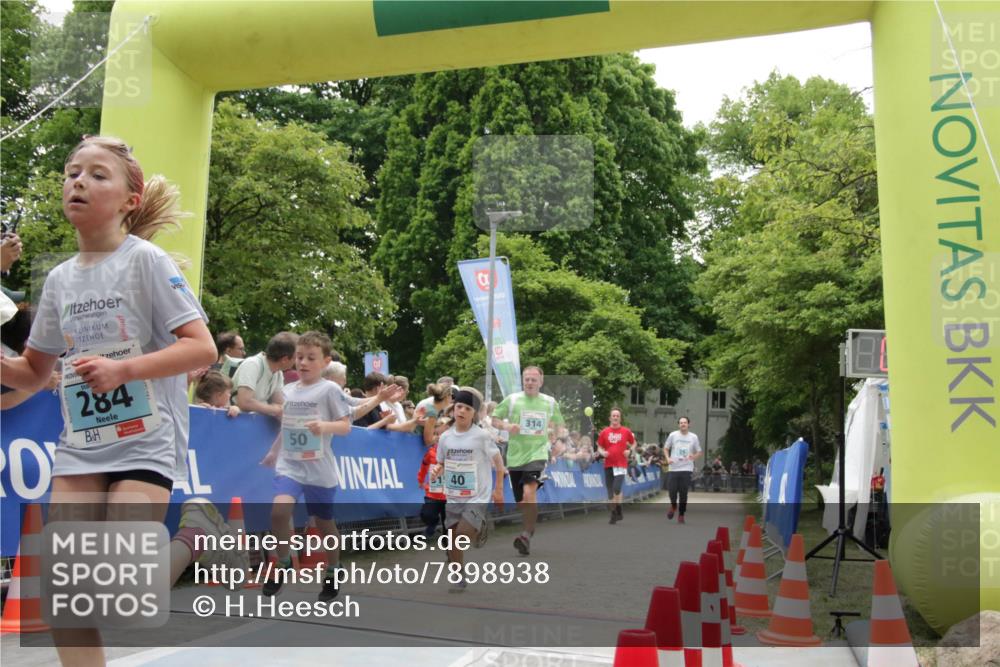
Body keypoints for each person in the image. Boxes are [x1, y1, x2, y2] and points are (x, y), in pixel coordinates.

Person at [0, 135, 248, 667]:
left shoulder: (148, 262)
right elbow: (31, 371)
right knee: (67, 600)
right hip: (82, 446)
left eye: (96, 174)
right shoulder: (60, 280)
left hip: (145, 439)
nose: (78, 182)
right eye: (71, 173)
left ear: (130, 200)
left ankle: (193, 537)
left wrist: (123, 370)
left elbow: (200, 347)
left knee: (119, 593)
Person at [258, 331, 350, 602]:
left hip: (319, 468)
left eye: (311, 358)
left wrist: (324, 426)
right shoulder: (286, 391)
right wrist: (274, 452)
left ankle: (333, 569)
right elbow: (288, 427)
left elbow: (345, 426)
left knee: (324, 525)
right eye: (299, 357)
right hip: (291, 463)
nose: (303, 362)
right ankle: (284, 561)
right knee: (279, 512)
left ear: (325, 361)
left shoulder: (329, 390)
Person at [430, 388, 505, 592]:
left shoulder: (481, 436)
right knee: (452, 540)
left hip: (477, 495)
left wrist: (498, 490)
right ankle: (458, 577)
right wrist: (438, 469)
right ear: (454, 409)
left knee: (462, 535)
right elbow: (441, 462)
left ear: (474, 413)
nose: (461, 411)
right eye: (459, 407)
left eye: (467, 408)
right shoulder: (445, 437)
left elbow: (499, 464)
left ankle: (478, 526)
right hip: (454, 495)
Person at [492, 365, 564, 556]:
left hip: (538, 454)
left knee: (528, 491)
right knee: (522, 501)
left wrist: (554, 439)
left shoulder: (549, 403)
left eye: (534, 379)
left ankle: (525, 535)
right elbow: (494, 420)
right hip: (515, 456)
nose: (530, 382)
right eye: (527, 379)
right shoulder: (513, 400)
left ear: (541, 381)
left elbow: (559, 424)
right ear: (523, 381)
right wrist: (507, 426)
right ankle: (528, 531)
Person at [232, 331, 297, 418]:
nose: (297, 362)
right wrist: (273, 409)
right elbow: (244, 402)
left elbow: (279, 404)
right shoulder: (253, 364)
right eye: (297, 357)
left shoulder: (278, 373)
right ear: (285, 359)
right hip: (233, 421)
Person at [596, 407, 635, 524]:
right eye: (613, 415)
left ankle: (618, 509)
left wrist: (630, 451)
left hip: (621, 464)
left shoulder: (626, 431)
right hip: (608, 464)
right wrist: (602, 453)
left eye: (617, 416)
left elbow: (634, 443)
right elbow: (599, 446)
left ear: (620, 418)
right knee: (610, 492)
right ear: (610, 418)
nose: (615, 417)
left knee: (616, 488)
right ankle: (614, 514)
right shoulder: (604, 432)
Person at [417, 414, 451, 538]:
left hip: (450, 495)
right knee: (426, 514)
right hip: (433, 493)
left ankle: (449, 548)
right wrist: (420, 480)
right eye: (436, 434)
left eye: (443, 434)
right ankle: (432, 523)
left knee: (449, 524)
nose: (439, 437)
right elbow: (424, 465)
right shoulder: (431, 452)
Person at [664, 416, 702, 523]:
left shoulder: (693, 437)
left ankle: (681, 514)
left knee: (683, 493)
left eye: (685, 422)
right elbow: (666, 448)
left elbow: (699, 451)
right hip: (673, 468)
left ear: (688, 424)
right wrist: (668, 459)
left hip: (687, 468)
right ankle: (673, 506)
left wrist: (693, 457)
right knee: (672, 491)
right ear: (678, 425)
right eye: (681, 423)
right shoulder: (673, 435)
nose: (683, 424)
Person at [415, 382, 453, 446]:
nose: (452, 398)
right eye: (451, 395)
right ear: (447, 397)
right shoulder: (432, 413)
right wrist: (440, 437)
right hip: (416, 445)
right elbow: (428, 441)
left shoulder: (429, 405)